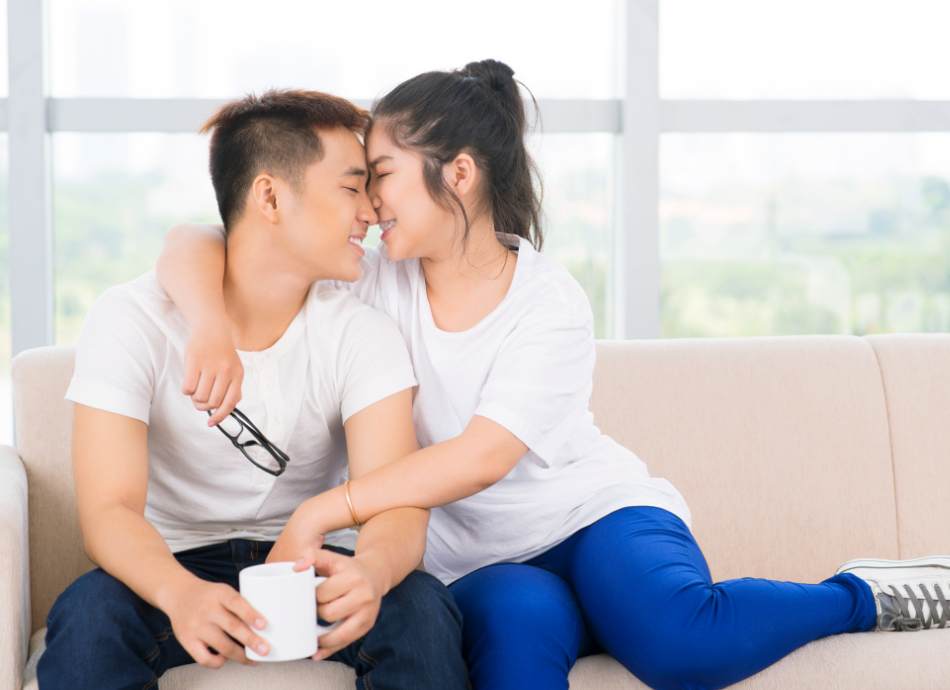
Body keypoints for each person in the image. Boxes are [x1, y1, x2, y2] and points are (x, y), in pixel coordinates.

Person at [156, 62, 950, 690]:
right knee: (512, 665)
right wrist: (211, 327)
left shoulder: (548, 301)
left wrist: (330, 508)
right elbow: (198, 239)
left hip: (596, 518)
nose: (368, 202)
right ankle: (607, 615)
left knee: (679, 644)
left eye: (383, 174)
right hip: (484, 565)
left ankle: (857, 594)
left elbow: (484, 456)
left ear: (457, 174)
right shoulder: (370, 281)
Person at [38, 89, 468, 690]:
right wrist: (179, 594)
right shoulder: (130, 320)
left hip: (312, 559)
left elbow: (395, 497)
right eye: (351, 188)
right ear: (269, 195)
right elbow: (107, 511)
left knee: (421, 609)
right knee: (88, 618)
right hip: (174, 561)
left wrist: (371, 570)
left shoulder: (360, 330)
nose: (370, 211)